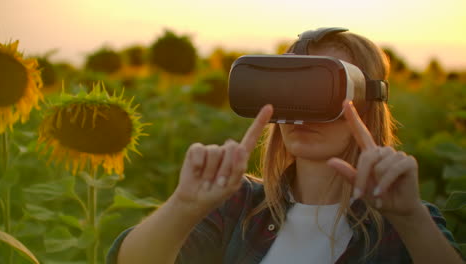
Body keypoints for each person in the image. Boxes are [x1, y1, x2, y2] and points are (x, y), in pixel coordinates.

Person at [107, 28, 464, 263]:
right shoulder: (238, 206)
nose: (299, 113)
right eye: (288, 90)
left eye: (321, 90)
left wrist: (411, 220)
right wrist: (183, 207)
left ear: (368, 102)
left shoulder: (406, 222)